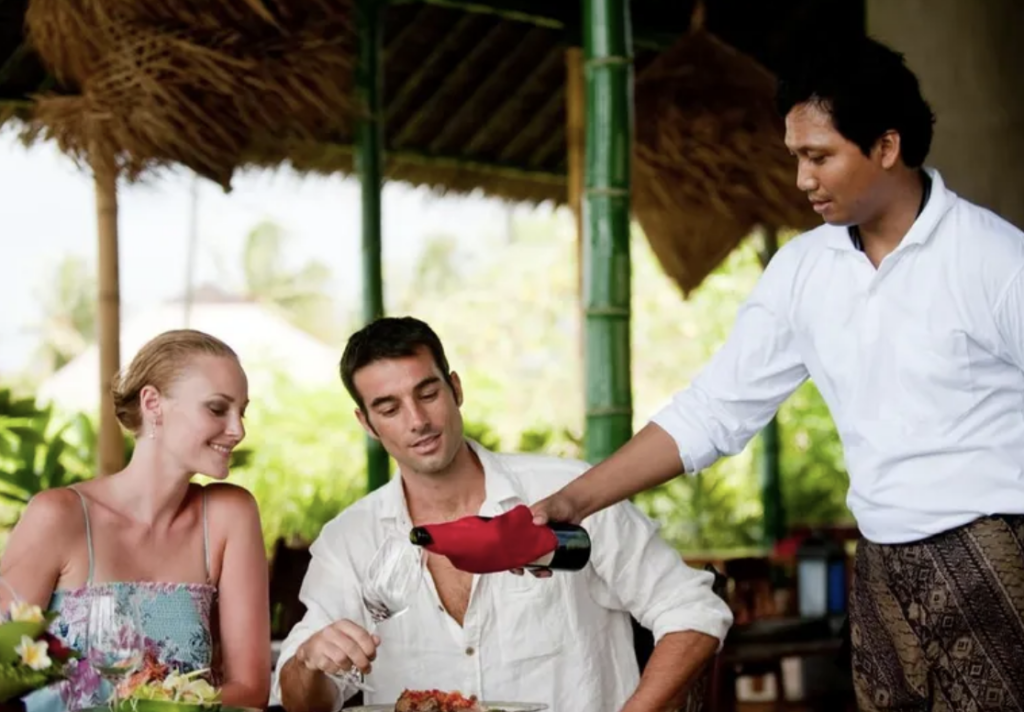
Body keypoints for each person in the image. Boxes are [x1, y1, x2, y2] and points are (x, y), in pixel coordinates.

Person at [529, 34, 1024, 711]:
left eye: (819, 157)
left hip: (997, 553)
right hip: (880, 566)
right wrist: (571, 502)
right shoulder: (803, 270)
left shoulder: (995, 261)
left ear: (886, 145)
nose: (801, 180)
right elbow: (713, 410)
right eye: (795, 157)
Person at [272, 316, 733, 712]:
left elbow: (693, 609)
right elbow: (302, 700)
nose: (417, 420)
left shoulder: (571, 493)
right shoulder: (349, 539)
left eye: (427, 393)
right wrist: (311, 660)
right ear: (366, 423)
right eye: (389, 408)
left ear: (455, 389)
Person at [0, 329, 270, 712]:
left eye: (241, 411)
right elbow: (3, 671)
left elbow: (251, 689)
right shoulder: (60, 517)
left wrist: (156, 706)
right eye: (217, 408)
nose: (237, 429)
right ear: (152, 403)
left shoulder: (229, 516)